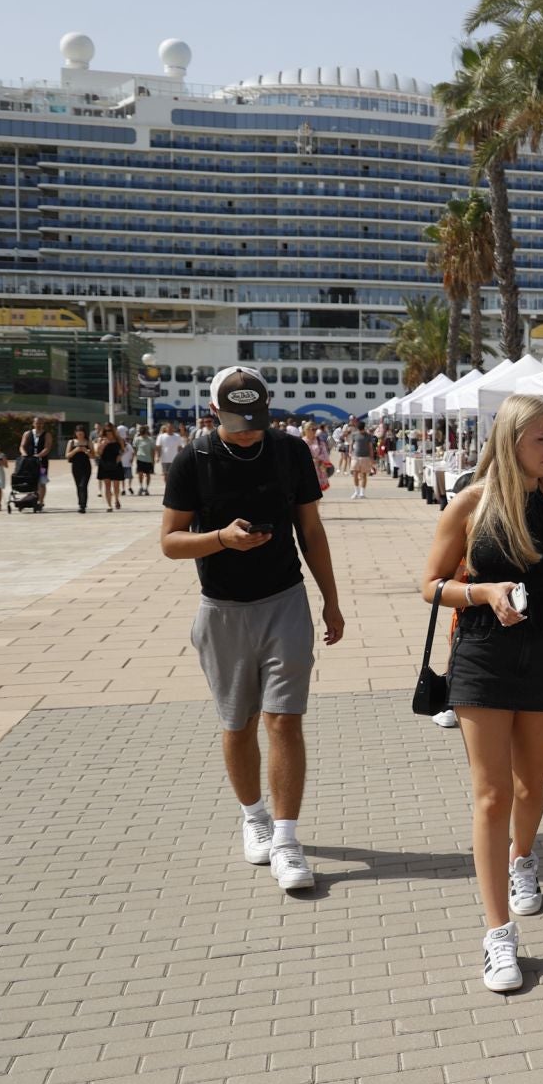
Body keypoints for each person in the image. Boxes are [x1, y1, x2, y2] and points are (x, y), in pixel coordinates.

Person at [416, 394, 543, 991]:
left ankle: (522, 861)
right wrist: (481, 593)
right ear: (510, 442)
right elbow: (429, 585)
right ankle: (498, 935)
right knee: (491, 795)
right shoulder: (470, 504)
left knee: (531, 784)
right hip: (482, 653)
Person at [160, 367, 344, 894]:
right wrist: (220, 538)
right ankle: (254, 815)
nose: (250, 431)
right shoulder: (194, 459)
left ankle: (286, 839)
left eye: (257, 419)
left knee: (284, 721)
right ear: (215, 412)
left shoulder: (289, 452)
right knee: (237, 723)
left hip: (285, 600)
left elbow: (311, 529)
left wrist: (331, 600)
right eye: (239, 421)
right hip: (221, 609)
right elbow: (170, 541)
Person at [19, 418, 53, 508]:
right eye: (37, 423)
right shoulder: (27, 434)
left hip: (42, 463)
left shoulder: (47, 435)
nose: (39, 425)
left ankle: (41, 501)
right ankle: (30, 499)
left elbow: (47, 447)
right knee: (30, 481)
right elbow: (22, 446)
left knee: (42, 481)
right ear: (33, 424)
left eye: (41, 423)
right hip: (29, 462)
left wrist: (39, 455)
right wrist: (24, 454)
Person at [97, 423, 128, 512]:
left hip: (116, 463)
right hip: (104, 463)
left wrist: (120, 456)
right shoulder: (101, 439)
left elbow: (123, 450)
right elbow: (98, 453)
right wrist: (102, 445)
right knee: (107, 485)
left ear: (114, 430)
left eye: (110, 430)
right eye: (106, 431)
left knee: (116, 485)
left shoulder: (119, 440)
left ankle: (116, 499)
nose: (108, 432)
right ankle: (109, 505)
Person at [66, 426, 93, 514]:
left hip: (86, 467)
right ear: (75, 433)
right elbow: (67, 455)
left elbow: (94, 456)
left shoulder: (88, 442)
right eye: (78, 432)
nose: (80, 433)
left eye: (82, 432)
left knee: (83, 485)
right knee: (78, 486)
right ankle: (80, 504)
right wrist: (76, 450)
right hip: (76, 467)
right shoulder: (72, 442)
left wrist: (87, 451)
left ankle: (83, 505)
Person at [348, 423, 377, 499]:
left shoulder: (368, 436)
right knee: (355, 474)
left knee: (364, 475)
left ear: (364, 428)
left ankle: (362, 493)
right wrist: (350, 452)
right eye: (359, 430)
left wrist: (372, 458)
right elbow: (351, 444)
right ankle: (356, 492)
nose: (361, 431)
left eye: (362, 429)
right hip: (355, 457)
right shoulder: (354, 435)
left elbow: (370, 447)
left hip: (365, 457)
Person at [156, 423, 183, 488]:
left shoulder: (177, 436)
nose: (170, 429)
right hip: (165, 459)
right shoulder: (161, 436)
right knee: (165, 474)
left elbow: (180, 447)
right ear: (166, 429)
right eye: (169, 428)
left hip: (175, 458)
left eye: (171, 428)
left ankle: (173, 486)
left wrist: (181, 457)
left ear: (173, 429)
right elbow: (158, 447)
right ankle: (167, 486)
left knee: (174, 474)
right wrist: (157, 456)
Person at [133, 425, 156, 496]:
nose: (143, 433)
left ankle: (146, 488)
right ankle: (141, 487)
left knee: (148, 474)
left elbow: (153, 451)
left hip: (148, 459)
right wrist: (134, 458)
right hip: (140, 459)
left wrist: (153, 460)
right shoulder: (137, 439)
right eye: (142, 432)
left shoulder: (150, 440)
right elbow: (135, 449)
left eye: (144, 432)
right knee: (140, 473)